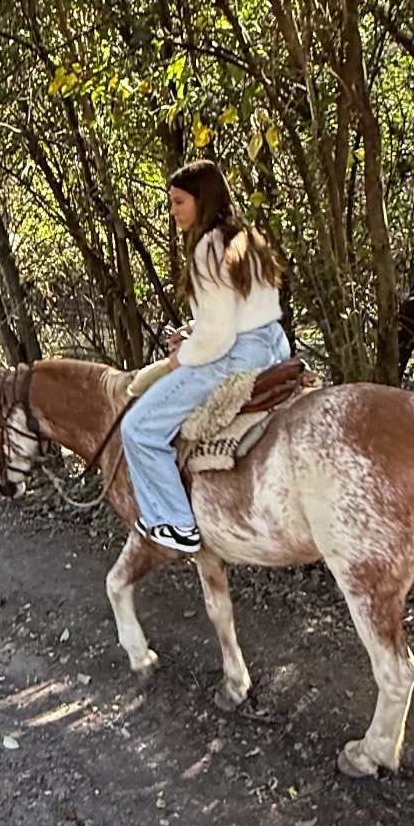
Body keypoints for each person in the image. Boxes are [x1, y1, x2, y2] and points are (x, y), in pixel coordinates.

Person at [120, 160, 290, 555]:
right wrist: (193, 331)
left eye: (179, 202)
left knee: (139, 428)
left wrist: (182, 357)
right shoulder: (246, 238)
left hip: (234, 357)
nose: (173, 212)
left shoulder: (207, 249)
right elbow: (236, 310)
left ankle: (175, 523)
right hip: (272, 345)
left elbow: (217, 338)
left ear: (201, 199)